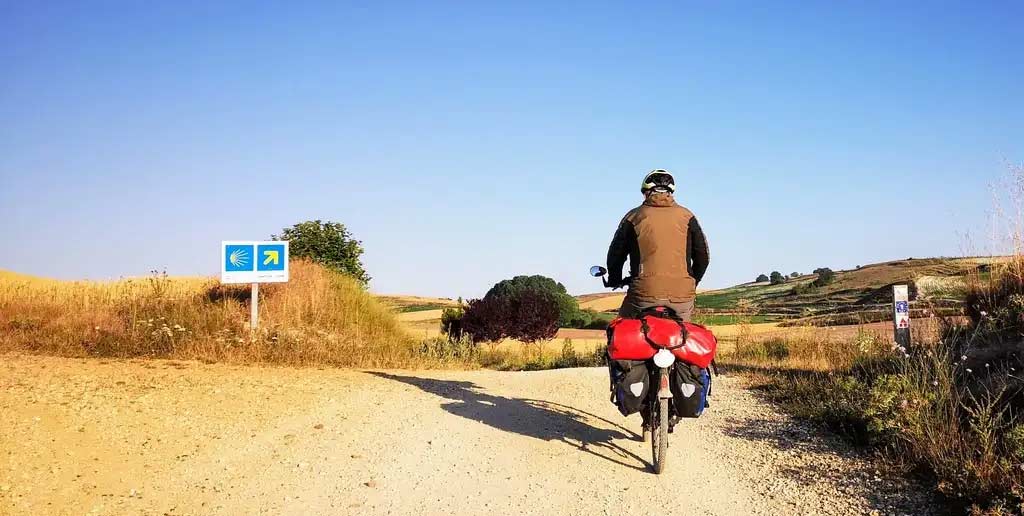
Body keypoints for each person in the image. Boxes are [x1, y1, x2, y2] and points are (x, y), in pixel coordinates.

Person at [606, 169, 710, 321]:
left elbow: (616, 254)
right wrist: (692, 282)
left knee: (619, 328)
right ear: (670, 192)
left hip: (643, 294)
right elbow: (703, 256)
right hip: (682, 296)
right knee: (682, 336)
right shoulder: (687, 216)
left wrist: (614, 278)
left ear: (646, 192)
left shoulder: (634, 216)